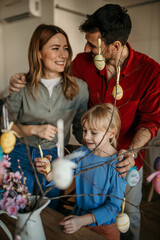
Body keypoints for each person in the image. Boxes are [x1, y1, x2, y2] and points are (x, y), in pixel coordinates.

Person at [8, 4, 160, 239]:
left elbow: (151, 119)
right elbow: (55, 76)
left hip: (126, 161)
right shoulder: (82, 63)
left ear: (115, 46)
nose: (85, 48)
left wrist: (131, 150)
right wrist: (23, 78)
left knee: (128, 214)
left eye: (92, 44)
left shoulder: (150, 71)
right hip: (89, 162)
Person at [6, 24, 89, 209]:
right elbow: (5, 126)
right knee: (19, 207)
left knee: (49, 208)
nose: (63, 54)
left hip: (54, 156)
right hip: (20, 152)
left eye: (65, 48)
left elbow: (80, 128)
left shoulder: (80, 88)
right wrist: (33, 129)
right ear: (38, 53)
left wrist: (99, 147)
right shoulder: (20, 85)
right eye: (55, 48)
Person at [35, 103, 127, 240]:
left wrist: (82, 220)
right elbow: (59, 176)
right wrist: (47, 171)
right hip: (77, 218)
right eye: (85, 130)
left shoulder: (119, 164)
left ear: (112, 133)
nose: (87, 137)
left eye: (94, 132)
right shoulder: (80, 154)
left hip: (105, 227)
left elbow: (113, 207)